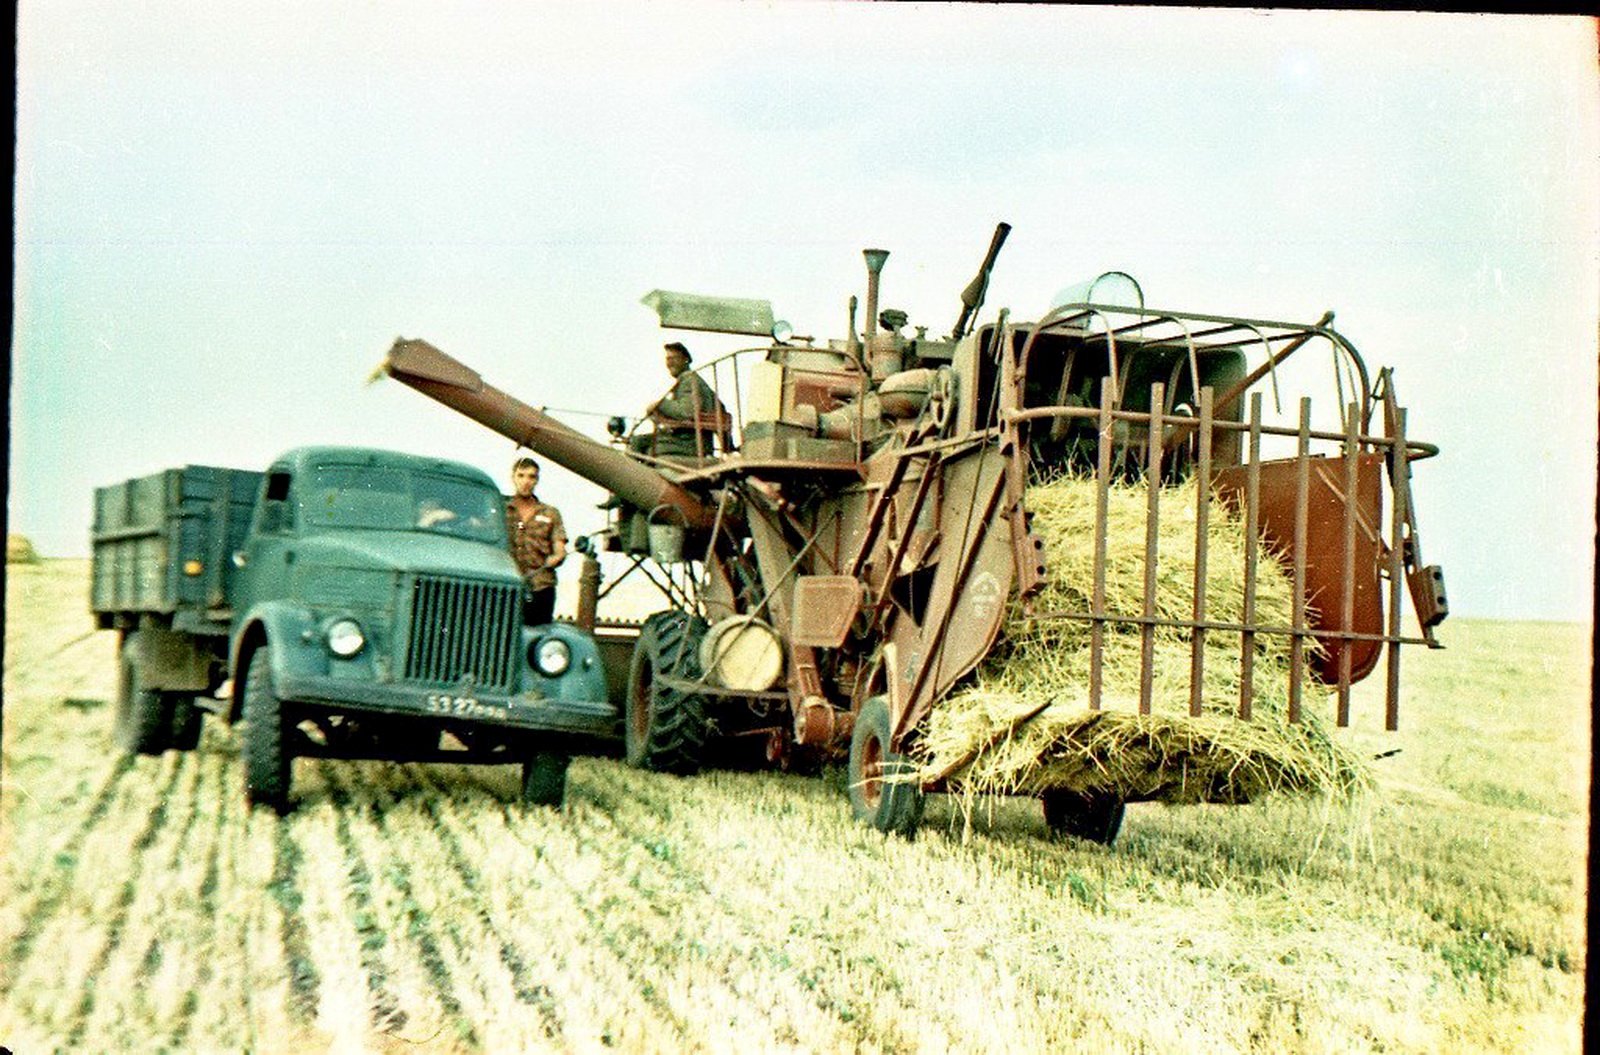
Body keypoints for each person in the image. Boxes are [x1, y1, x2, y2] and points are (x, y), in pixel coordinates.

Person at [504, 456, 567, 625]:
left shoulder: (550, 513)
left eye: (532, 477)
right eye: (521, 475)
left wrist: (557, 557)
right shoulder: (501, 509)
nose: (526, 481)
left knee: (538, 639)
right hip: (506, 585)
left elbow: (559, 548)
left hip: (540, 587)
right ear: (513, 478)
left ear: (537, 480)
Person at [634, 341, 725, 457]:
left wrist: (660, 405)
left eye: (673, 358)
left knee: (638, 442)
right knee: (643, 440)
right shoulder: (693, 381)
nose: (669, 363)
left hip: (690, 444)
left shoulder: (689, 380)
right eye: (668, 359)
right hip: (694, 441)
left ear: (685, 359)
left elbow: (687, 411)